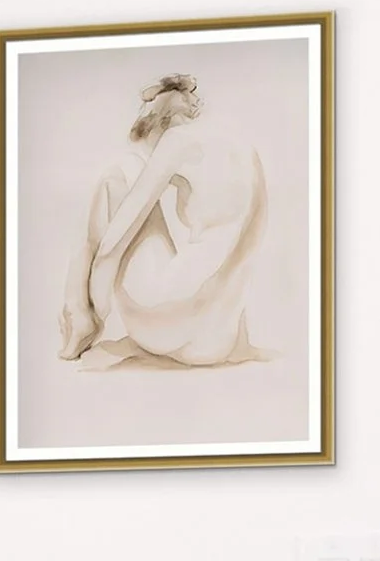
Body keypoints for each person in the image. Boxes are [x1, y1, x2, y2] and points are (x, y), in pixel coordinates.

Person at [58, 71, 269, 368]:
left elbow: (114, 244)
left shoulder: (178, 140)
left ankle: (78, 318)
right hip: (218, 340)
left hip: (163, 323)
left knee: (117, 179)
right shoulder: (245, 149)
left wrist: (98, 309)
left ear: (161, 114)